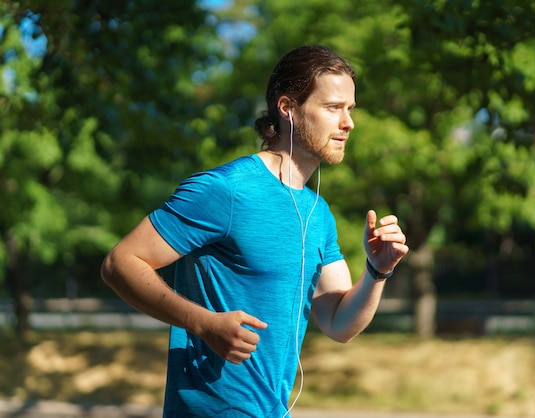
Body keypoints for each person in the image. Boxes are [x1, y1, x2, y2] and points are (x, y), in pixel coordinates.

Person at [100, 44, 409, 418]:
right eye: (332, 108)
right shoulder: (226, 190)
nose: (348, 123)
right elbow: (120, 263)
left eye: (349, 109)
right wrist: (204, 323)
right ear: (288, 109)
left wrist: (378, 271)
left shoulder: (318, 213)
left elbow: (338, 323)